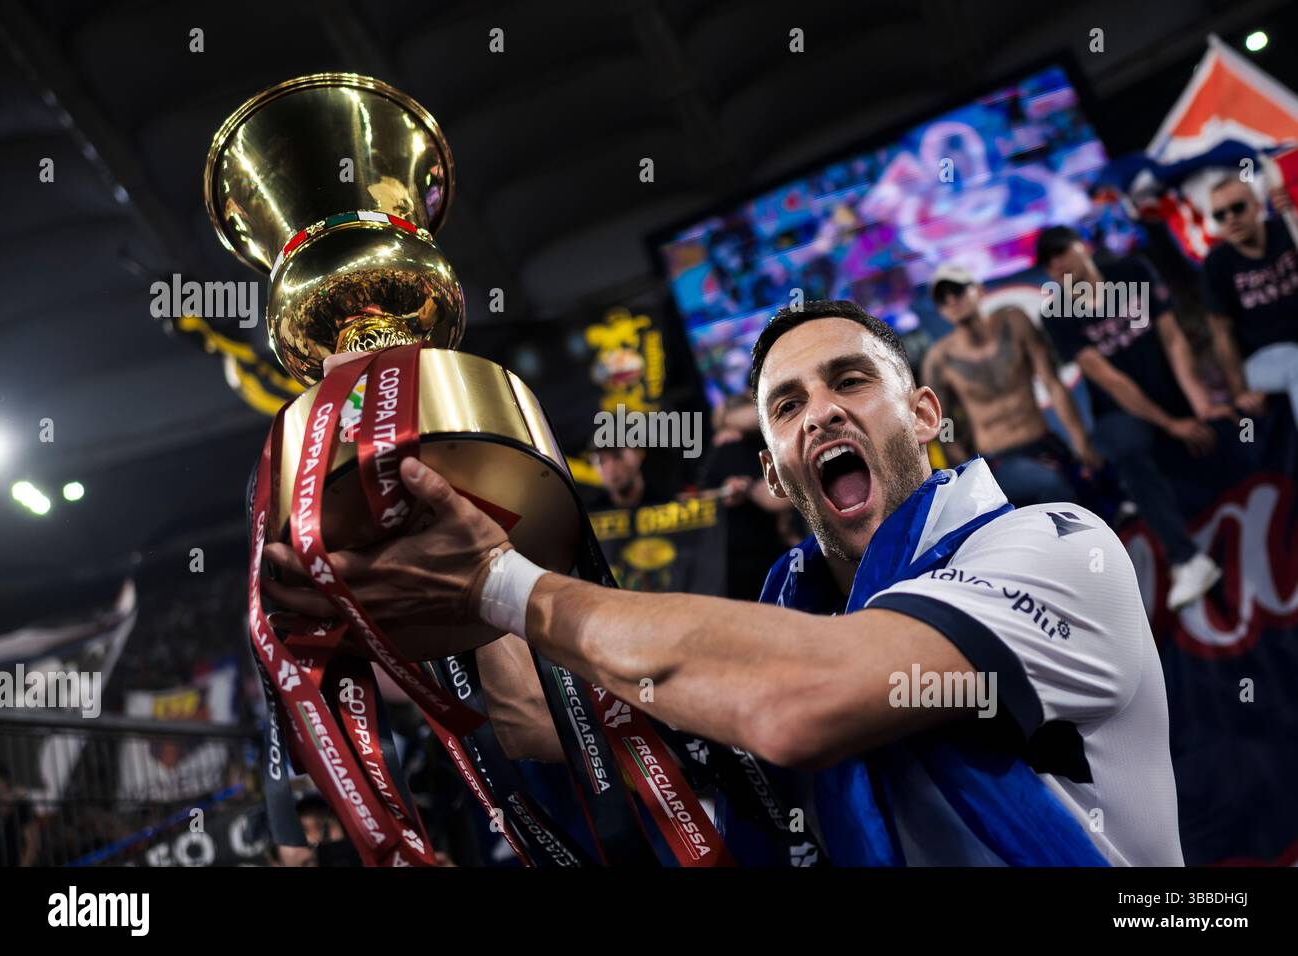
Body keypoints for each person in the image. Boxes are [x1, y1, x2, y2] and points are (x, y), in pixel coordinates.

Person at [265, 300, 1184, 866]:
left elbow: (806, 700)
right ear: (778, 473)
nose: (820, 409)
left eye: (850, 381)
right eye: (787, 405)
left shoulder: (1053, 545)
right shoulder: (780, 626)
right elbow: (542, 720)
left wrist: (504, 584)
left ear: (925, 411)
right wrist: (420, 496)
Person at [1035, 226, 1228, 611]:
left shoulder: (1132, 272)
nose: (1056, 263)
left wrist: (1200, 404)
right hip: (1123, 414)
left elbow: (1173, 339)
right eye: (1047, 260)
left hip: (1174, 394)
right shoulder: (1057, 313)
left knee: (1234, 426)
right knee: (1125, 444)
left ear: (1084, 246)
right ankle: (1187, 559)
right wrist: (1170, 425)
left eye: (1061, 251)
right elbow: (1107, 377)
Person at [922, 264, 1102, 507]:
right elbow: (943, 424)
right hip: (996, 460)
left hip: (1044, 444)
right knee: (1054, 491)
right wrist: (967, 473)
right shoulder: (939, 359)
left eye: (957, 290)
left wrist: (1079, 440)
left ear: (979, 290)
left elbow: (1052, 383)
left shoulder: (1014, 321)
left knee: (1092, 499)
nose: (952, 300)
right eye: (942, 299)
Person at [1201, 176, 1298, 421]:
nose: (1230, 218)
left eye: (1238, 207)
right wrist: (1239, 392)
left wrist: (1294, 210)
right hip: (1262, 359)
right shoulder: (1216, 263)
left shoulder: (1288, 228)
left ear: (1257, 205)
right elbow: (1221, 333)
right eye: (1220, 215)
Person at [694, 391, 796, 600]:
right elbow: (701, 497)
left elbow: (775, 500)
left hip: (770, 552)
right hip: (739, 558)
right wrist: (727, 490)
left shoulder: (771, 441)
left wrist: (747, 488)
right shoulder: (728, 448)